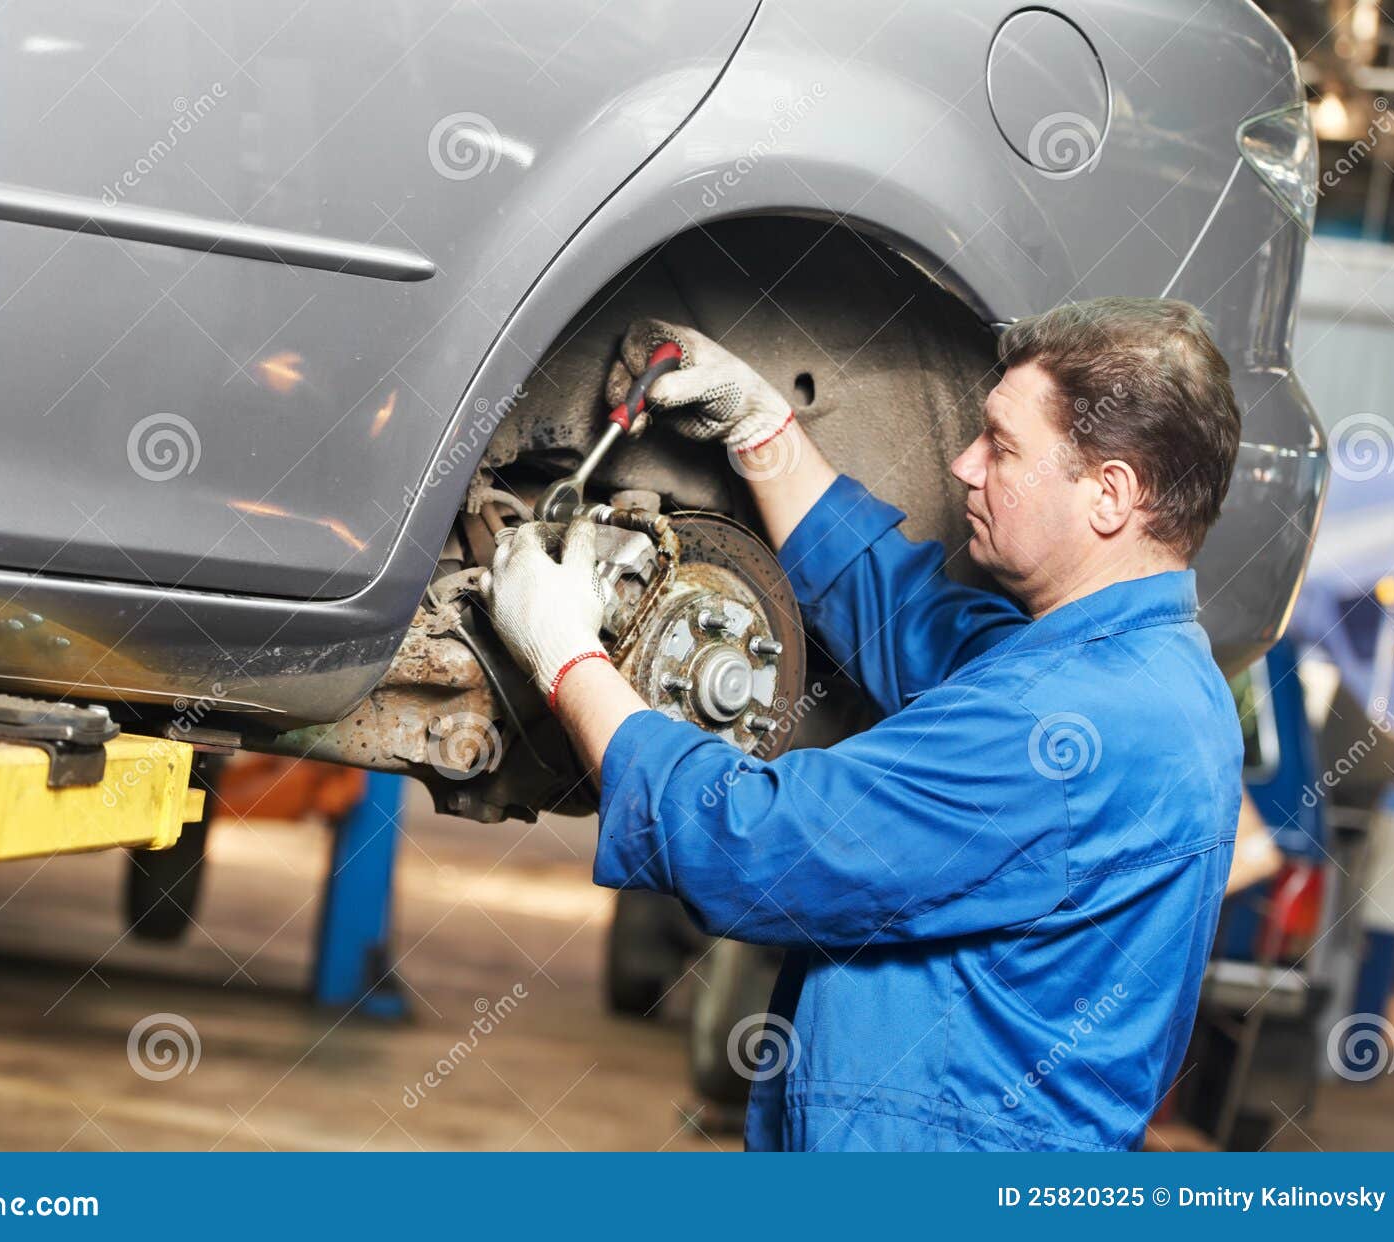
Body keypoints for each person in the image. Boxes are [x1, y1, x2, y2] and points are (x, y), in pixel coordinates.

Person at [484, 298, 1245, 1151]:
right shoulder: (1146, 673)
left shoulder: (1069, 728)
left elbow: (754, 843)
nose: (963, 465)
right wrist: (764, 433)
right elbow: (911, 615)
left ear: (1110, 495)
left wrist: (565, 659)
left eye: (1002, 444)